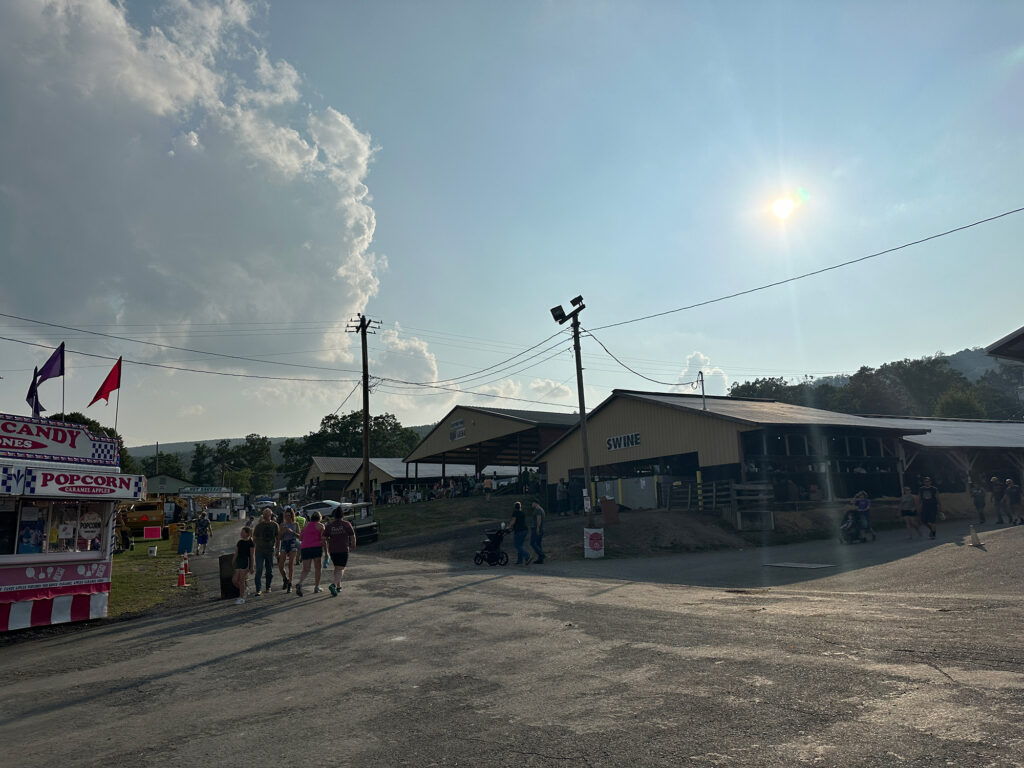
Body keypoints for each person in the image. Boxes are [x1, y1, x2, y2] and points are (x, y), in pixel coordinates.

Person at [324, 508, 356, 597]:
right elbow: (352, 535)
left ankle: (339, 586)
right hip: (343, 549)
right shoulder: (346, 524)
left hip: (333, 550)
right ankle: (333, 584)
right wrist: (353, 544)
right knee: (341, 568)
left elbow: (324, 538)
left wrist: (326, 549)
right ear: (343, 515)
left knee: (337, 567)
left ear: (334, 516)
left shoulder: (330, 526)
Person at [294, 510, 326, 596]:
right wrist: (326, 552)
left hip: (305, 548)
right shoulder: (321, 526)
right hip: (316, 548)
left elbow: (300, 538)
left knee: (306, 569)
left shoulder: (306, 526)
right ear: (320, 518)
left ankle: (300, 583)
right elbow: (324, 539)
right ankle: (316, 587)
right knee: (318, 568)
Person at [251, 508, 279, 596]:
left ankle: (268, 587)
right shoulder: (259, 526)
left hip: (270, 550)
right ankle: (258, 589)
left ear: (271, 515)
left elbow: (278, 539)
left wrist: (278, 550)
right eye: (265, 514)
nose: (266, 516)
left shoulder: (275, 525)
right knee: (259, 570)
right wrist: (251, 550)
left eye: (268, 514)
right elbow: (254, 538)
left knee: (269, 571)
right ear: (263, 515)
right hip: (259, 550)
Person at [277, 508, 299, 593]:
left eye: (289, 515)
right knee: (281, 565)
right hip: (284, 543)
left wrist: (292, 532)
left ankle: (290, 584)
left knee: (290, 564)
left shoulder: (295, 524)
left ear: (292, 515)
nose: (287, 517)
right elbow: (279, 538)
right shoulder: (282, 524)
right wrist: (282, 532)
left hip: (293, 543)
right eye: (285, 515)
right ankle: (285, 578)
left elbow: (299, 536)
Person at [232, 526, 255, 605]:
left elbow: (252, 556)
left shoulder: (251, 543)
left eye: (243, 532)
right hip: (239, 562)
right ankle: (245, 589)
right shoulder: (240, 542)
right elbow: (236, 553)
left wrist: (252, 566)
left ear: (247, 533)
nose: (241, 534)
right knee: (235, 580)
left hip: (246, 562)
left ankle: (241, 597)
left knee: (242, 580)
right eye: (241, 532)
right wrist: (233, 561)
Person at [529, 500, 545, 564]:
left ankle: (541, 554)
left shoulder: (538, 510)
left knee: (532, 543)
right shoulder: (541, 509)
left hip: (536, 528)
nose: (532, 505)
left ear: (535, 503)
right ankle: (540, 559)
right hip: (540, 528)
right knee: (538, 543)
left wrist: (537, 528)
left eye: (532, 503)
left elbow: (539, 519)